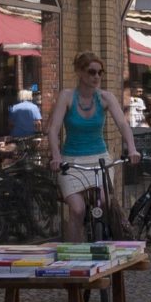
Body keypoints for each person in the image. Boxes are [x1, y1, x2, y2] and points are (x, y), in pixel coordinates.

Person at [47, 52, 137, 240]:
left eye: (100, 72)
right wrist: (56, 156)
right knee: (77, 209)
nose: (96, 77)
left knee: (104, 202)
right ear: (79, 72)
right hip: (71, 161)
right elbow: (53, 129)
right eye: (91, 72)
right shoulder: (67, 96)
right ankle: (73, 256)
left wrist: (132, 148)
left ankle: (105, 239)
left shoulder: (105, 98)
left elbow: (122, 124)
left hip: (99, 159)